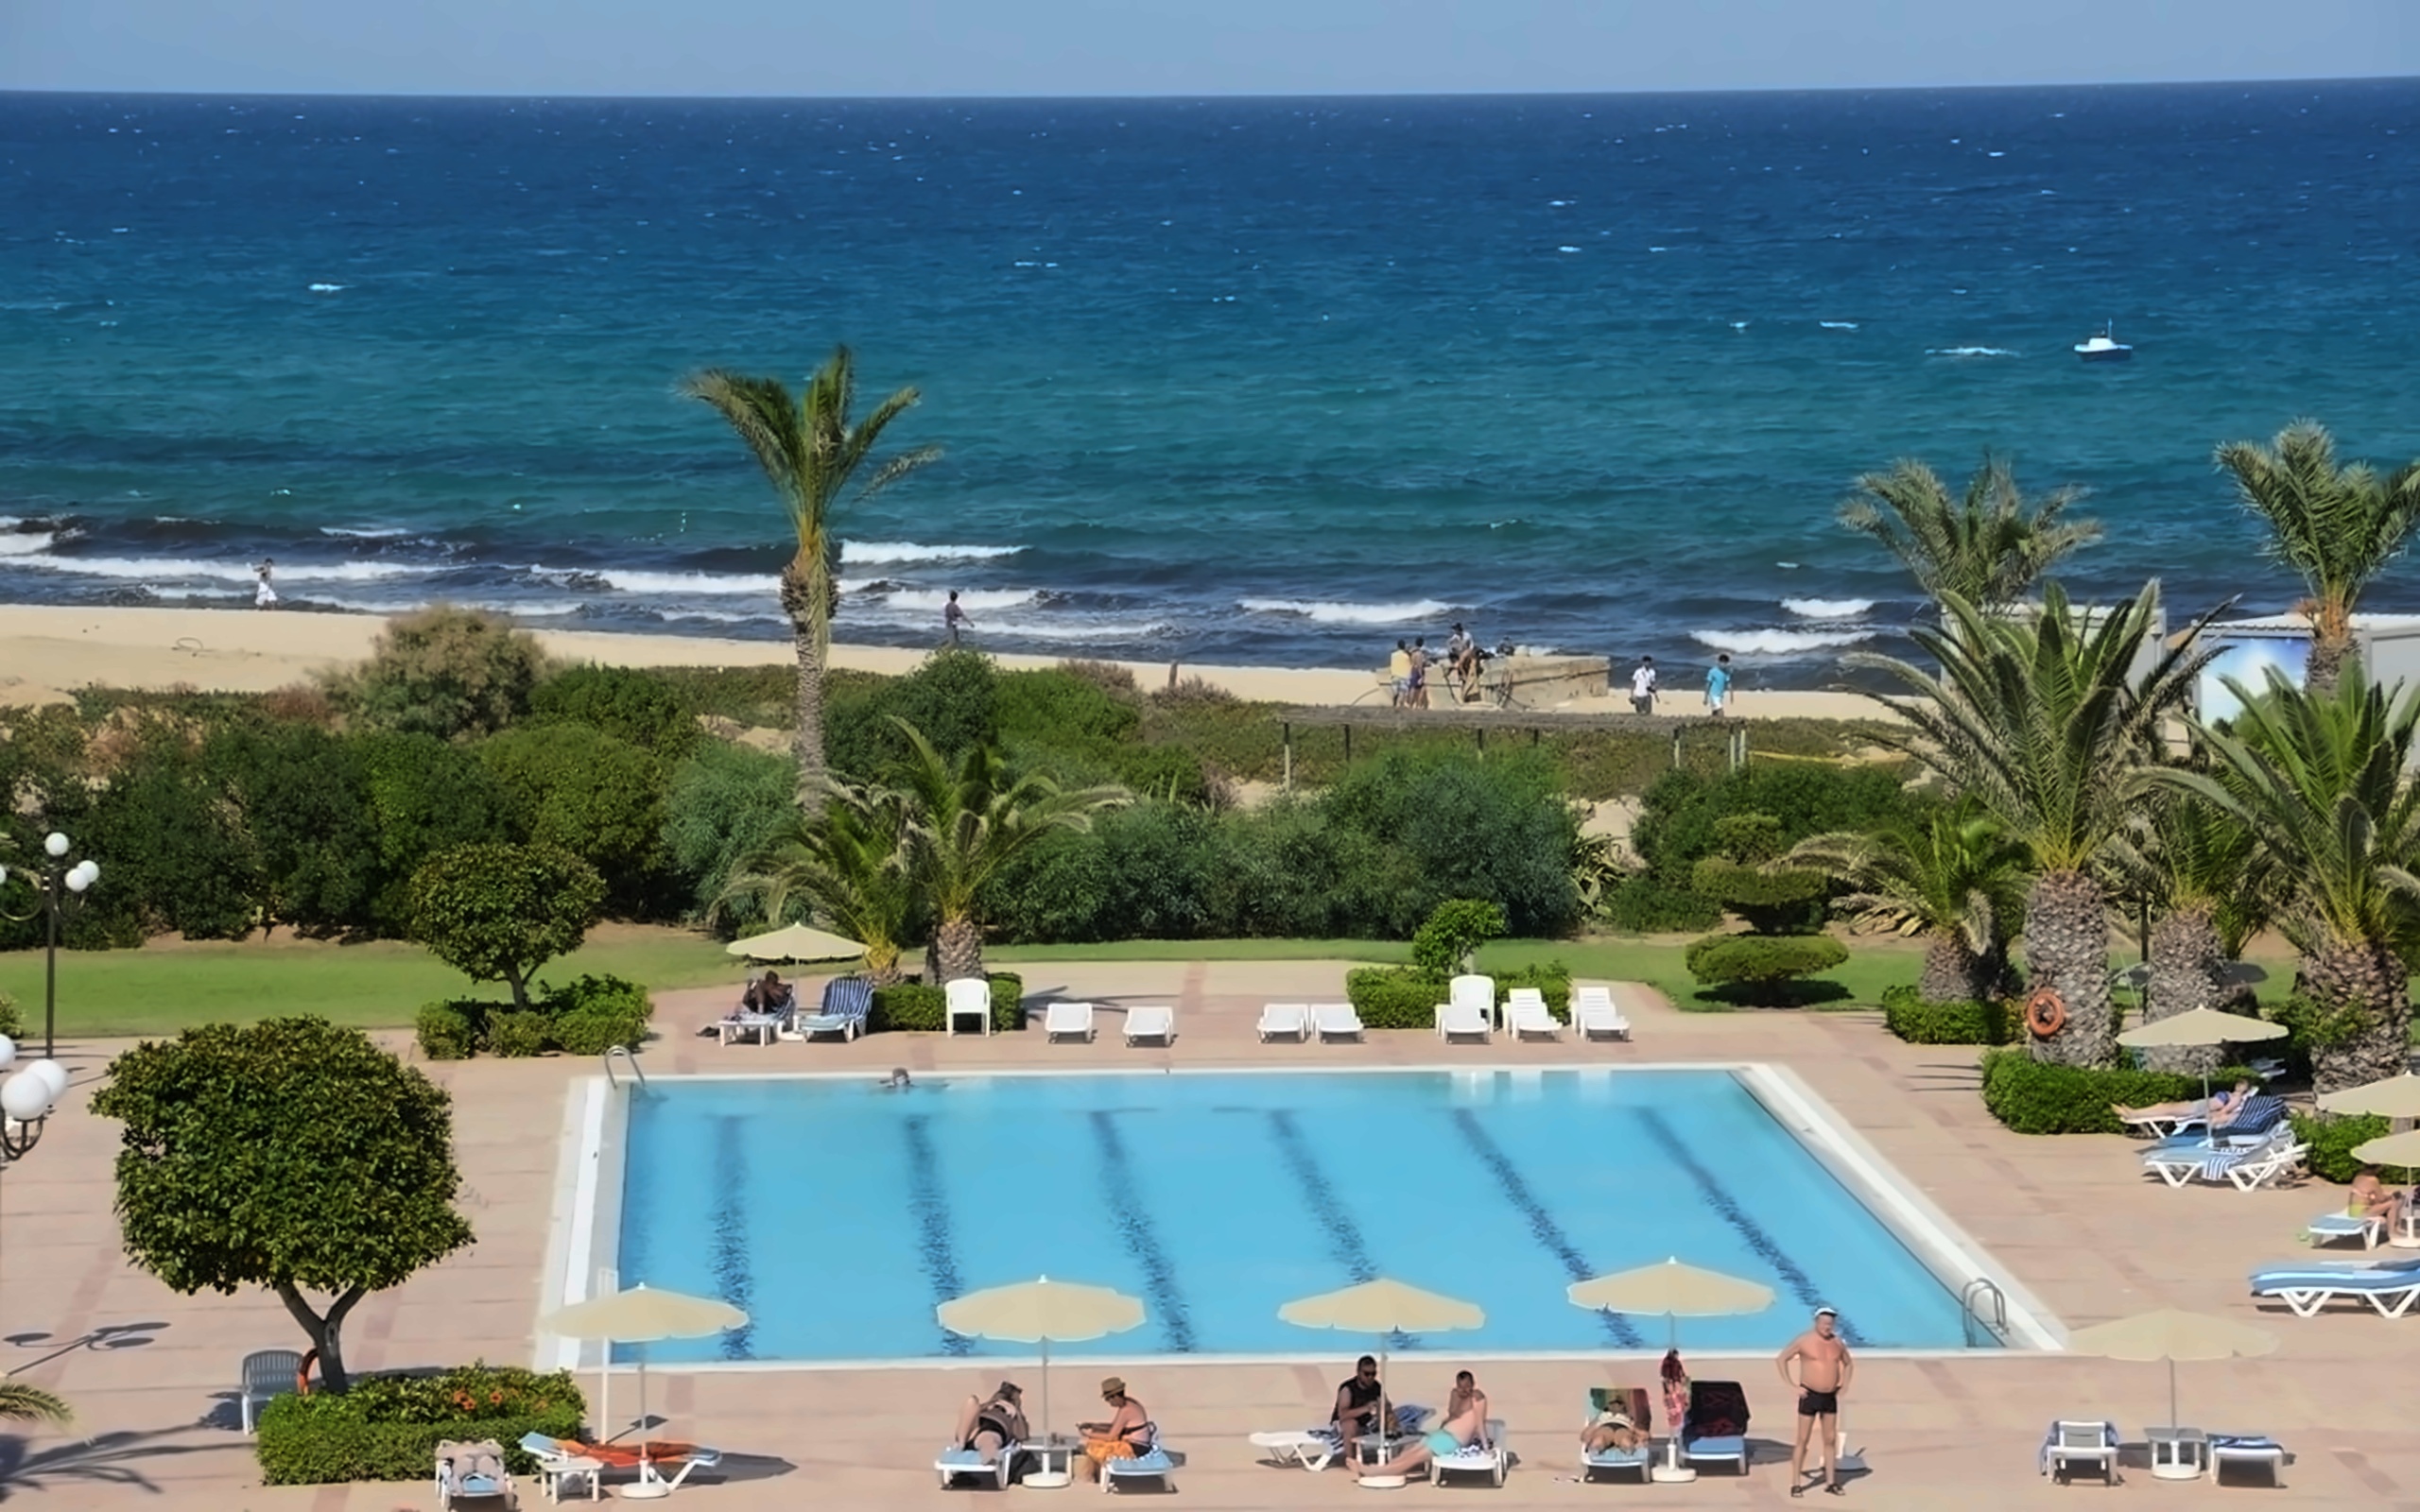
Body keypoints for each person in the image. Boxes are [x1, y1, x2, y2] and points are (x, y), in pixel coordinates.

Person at [1776, 1306, 1855, 1497]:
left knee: (1830, 1439)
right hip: (1809, 1395)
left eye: (1830, 1324)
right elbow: (1781, 1359)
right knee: (1803, 1440)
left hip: (1829, 1397)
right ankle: (1796, 1483)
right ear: (1817, 1322)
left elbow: (1848, 1363)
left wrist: (1844, 1385)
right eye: (1824, 1323)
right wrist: (1792, 1385)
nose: (1827, 1327)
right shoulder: (1804, 1341)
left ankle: (1830, 1482)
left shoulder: (1837, 1343)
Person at [1369, 1370, 1487, 1479]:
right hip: (1442, 1433)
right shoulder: (1456, 1394)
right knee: (1410, 1452)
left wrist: (1485, 1446)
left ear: (1473, 1384)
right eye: (1460, 1387)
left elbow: (1480, 1423)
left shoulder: (1477, 1398)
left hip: (1454, 1440)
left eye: (1467, 1386)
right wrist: (1457, 1396)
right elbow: (1452, 1413)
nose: (1464, 1390)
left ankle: (1380, 1472)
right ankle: (1382, 1468)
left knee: (1415, 1457)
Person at [1075, 1376, 1152, 1482]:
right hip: (1135, 1443)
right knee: (1095, 1435)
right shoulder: (1130, 1403)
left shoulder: (1126, 1410)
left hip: (1135, 1448)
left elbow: (1111, 1436)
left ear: (1115, 1397)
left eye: (1108, 1399)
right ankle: (1094, 1474)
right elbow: (1116, 1426)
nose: (1108, 1402)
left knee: (1091, 1445)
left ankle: (1091, 1476)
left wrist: (1087, 1434)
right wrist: (1093, 1425)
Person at [951, 1381, 1028, 1470]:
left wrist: (1016, 1413)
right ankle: (961, 1444)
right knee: (971, 1401)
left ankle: (990, 1456)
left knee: (988, 1440)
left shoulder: (1015, 1415)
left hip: (992, 1430)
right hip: (973, 1429)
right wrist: (988, 1405)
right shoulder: (987, 1406)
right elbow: (970, 1414)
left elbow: (1022, 1436)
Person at [2113, 1079, 2253, 1126]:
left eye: (2242, 1086)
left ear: (2245, 1089)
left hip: (2197, 1109)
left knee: (2165, 1108)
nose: (2238, 1087)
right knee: (2164, 1107)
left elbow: (2223, 1111)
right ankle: (2134, 1113)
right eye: (2238, 1084)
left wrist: (2210, 1117)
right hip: (2197, 1106)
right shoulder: (2233, 1096)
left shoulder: (2236, 1098)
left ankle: (2134, 1113)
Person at [1332, 1354, 1391, 1460]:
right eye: (1366, 1374)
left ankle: (1391, 1455)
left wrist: (1382, 1407)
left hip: (1367, 1422)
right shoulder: (1348, 1388)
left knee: (1390, 1417)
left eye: (1373, 1374)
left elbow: (1387, 1405)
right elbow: (1342, 1415)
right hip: (1343, 1424)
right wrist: (1366, 1408)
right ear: (1358, 1372)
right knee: (1351, 1424)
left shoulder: (1376, 1387)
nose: (1370, 1377)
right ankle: (1350, 1460)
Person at [1581, 1385, 1650, 1455]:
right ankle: (1595, 1449)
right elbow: (1586, 1434)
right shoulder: (1602, 1415)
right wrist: (1590, 1434)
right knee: (1599, 1440)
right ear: (1607, 1407)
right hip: (1605, 1426)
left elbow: (1644, 1434)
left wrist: (1637, 1434)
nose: (1616, 1405)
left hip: (1623, 1427)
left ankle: (1628, 1449)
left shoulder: (1627, 1417)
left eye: (1619, 1404)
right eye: (1612, 1403)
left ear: (1624, 1407)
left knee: (1626, 1442)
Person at [1705, 653, 1734, 717]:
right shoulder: (1712, 671)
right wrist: (1706, 697)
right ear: (1718, 662)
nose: (1723, 664)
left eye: (1725, 662)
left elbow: (1729, 684)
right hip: (1713, 695)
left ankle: (1712, 721)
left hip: (1721, 696)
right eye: (1722, 662)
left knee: (1715, 712)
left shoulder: (1726, 673)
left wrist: (1731, 696)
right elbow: (1708, 684)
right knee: (1720, 711)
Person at [1388, 640, 1413, 708]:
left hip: (1395, 675)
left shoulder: (1393, 655)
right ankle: (1398, 705)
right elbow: (1411, 663)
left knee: (1395, 692)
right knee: (1402, 692)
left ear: (1398, 646)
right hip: (1404, 676)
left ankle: (1395, 703)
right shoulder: (1407, 656)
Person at [1409, 638, 1431, 710]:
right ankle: (1418, 705)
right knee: (1422, 688)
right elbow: (1419, 665)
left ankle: (1411, 705)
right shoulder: (1419, 654)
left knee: (1413, 688)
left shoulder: (1413, 653)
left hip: (1413, 670)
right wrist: (1421, 676)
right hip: (1417, 672)